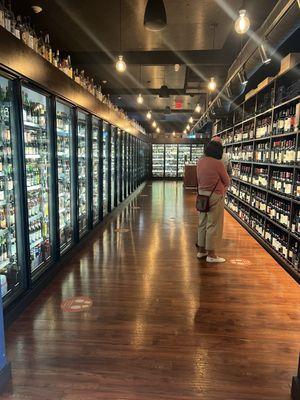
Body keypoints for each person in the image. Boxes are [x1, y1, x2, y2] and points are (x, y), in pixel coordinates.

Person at [196, 141, 230, 263]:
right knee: (213, 224)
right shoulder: (218, 163)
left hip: (201, 195)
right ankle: (211, 254)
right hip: (215, 195)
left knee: (202, 222)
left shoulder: (200, 161)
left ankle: (201, 250)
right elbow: (227, 181)